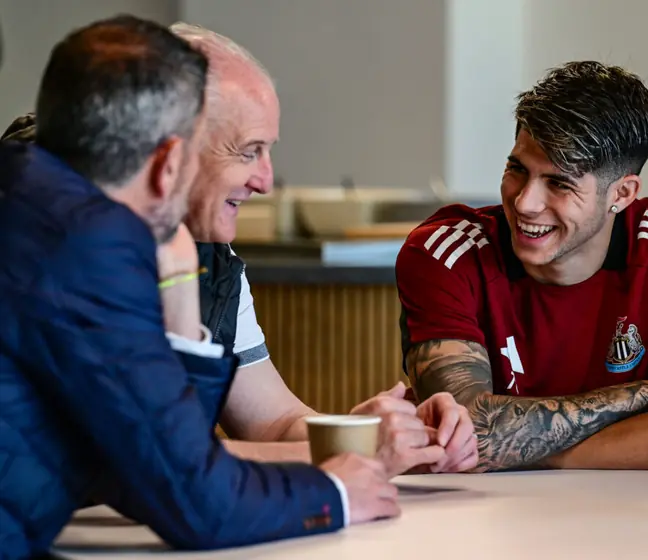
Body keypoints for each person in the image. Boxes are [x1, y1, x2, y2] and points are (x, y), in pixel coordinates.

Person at [2, 22, 478, 477]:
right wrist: (343, 460)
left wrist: (368, 436)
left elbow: (273, 423)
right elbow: (143, 458)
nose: (266, 182)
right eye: (249, 151)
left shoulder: (211, 260)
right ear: (175, 149)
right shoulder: (53, 240)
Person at [396, 60, 648, 472]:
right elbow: (463, 433)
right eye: (517, 169)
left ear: (622, 193)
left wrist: (524, 450)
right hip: (487, 508)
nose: (524, 202)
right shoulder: (445, 252)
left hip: (643, 508)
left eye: (559, 183)